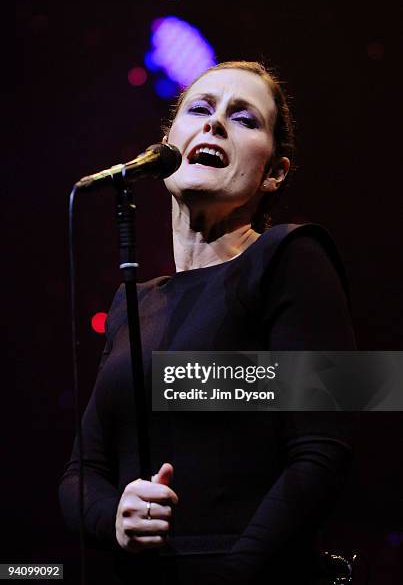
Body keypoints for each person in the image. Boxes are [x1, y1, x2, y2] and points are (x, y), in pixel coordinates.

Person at [59, 61, 356, 584]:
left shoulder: (291, 256)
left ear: (275, 172)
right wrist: (116, 520)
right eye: (199, 108)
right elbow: (81, 474)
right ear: (169, 142)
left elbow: (322, 451)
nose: (214, 123)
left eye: (244, 118)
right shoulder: (136, 302)